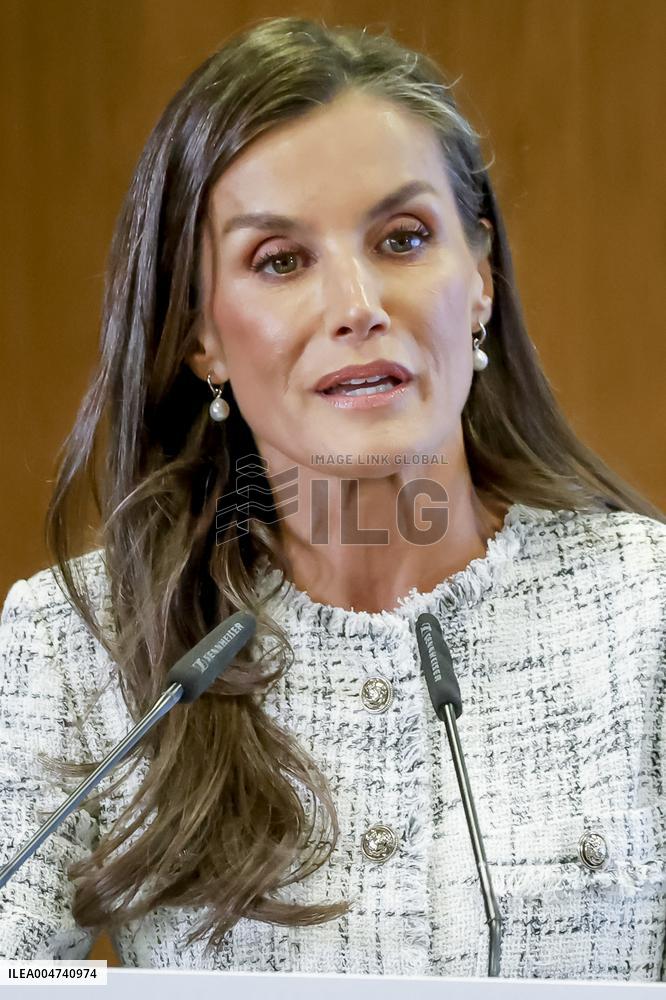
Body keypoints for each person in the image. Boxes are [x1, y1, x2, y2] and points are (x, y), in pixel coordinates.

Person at [1, 14, 664, 980]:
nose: (358, 303)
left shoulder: (646, 617)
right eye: (281, 261)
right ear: (204, 339)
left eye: (402, 239)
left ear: (479, 278)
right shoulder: (75, 644)